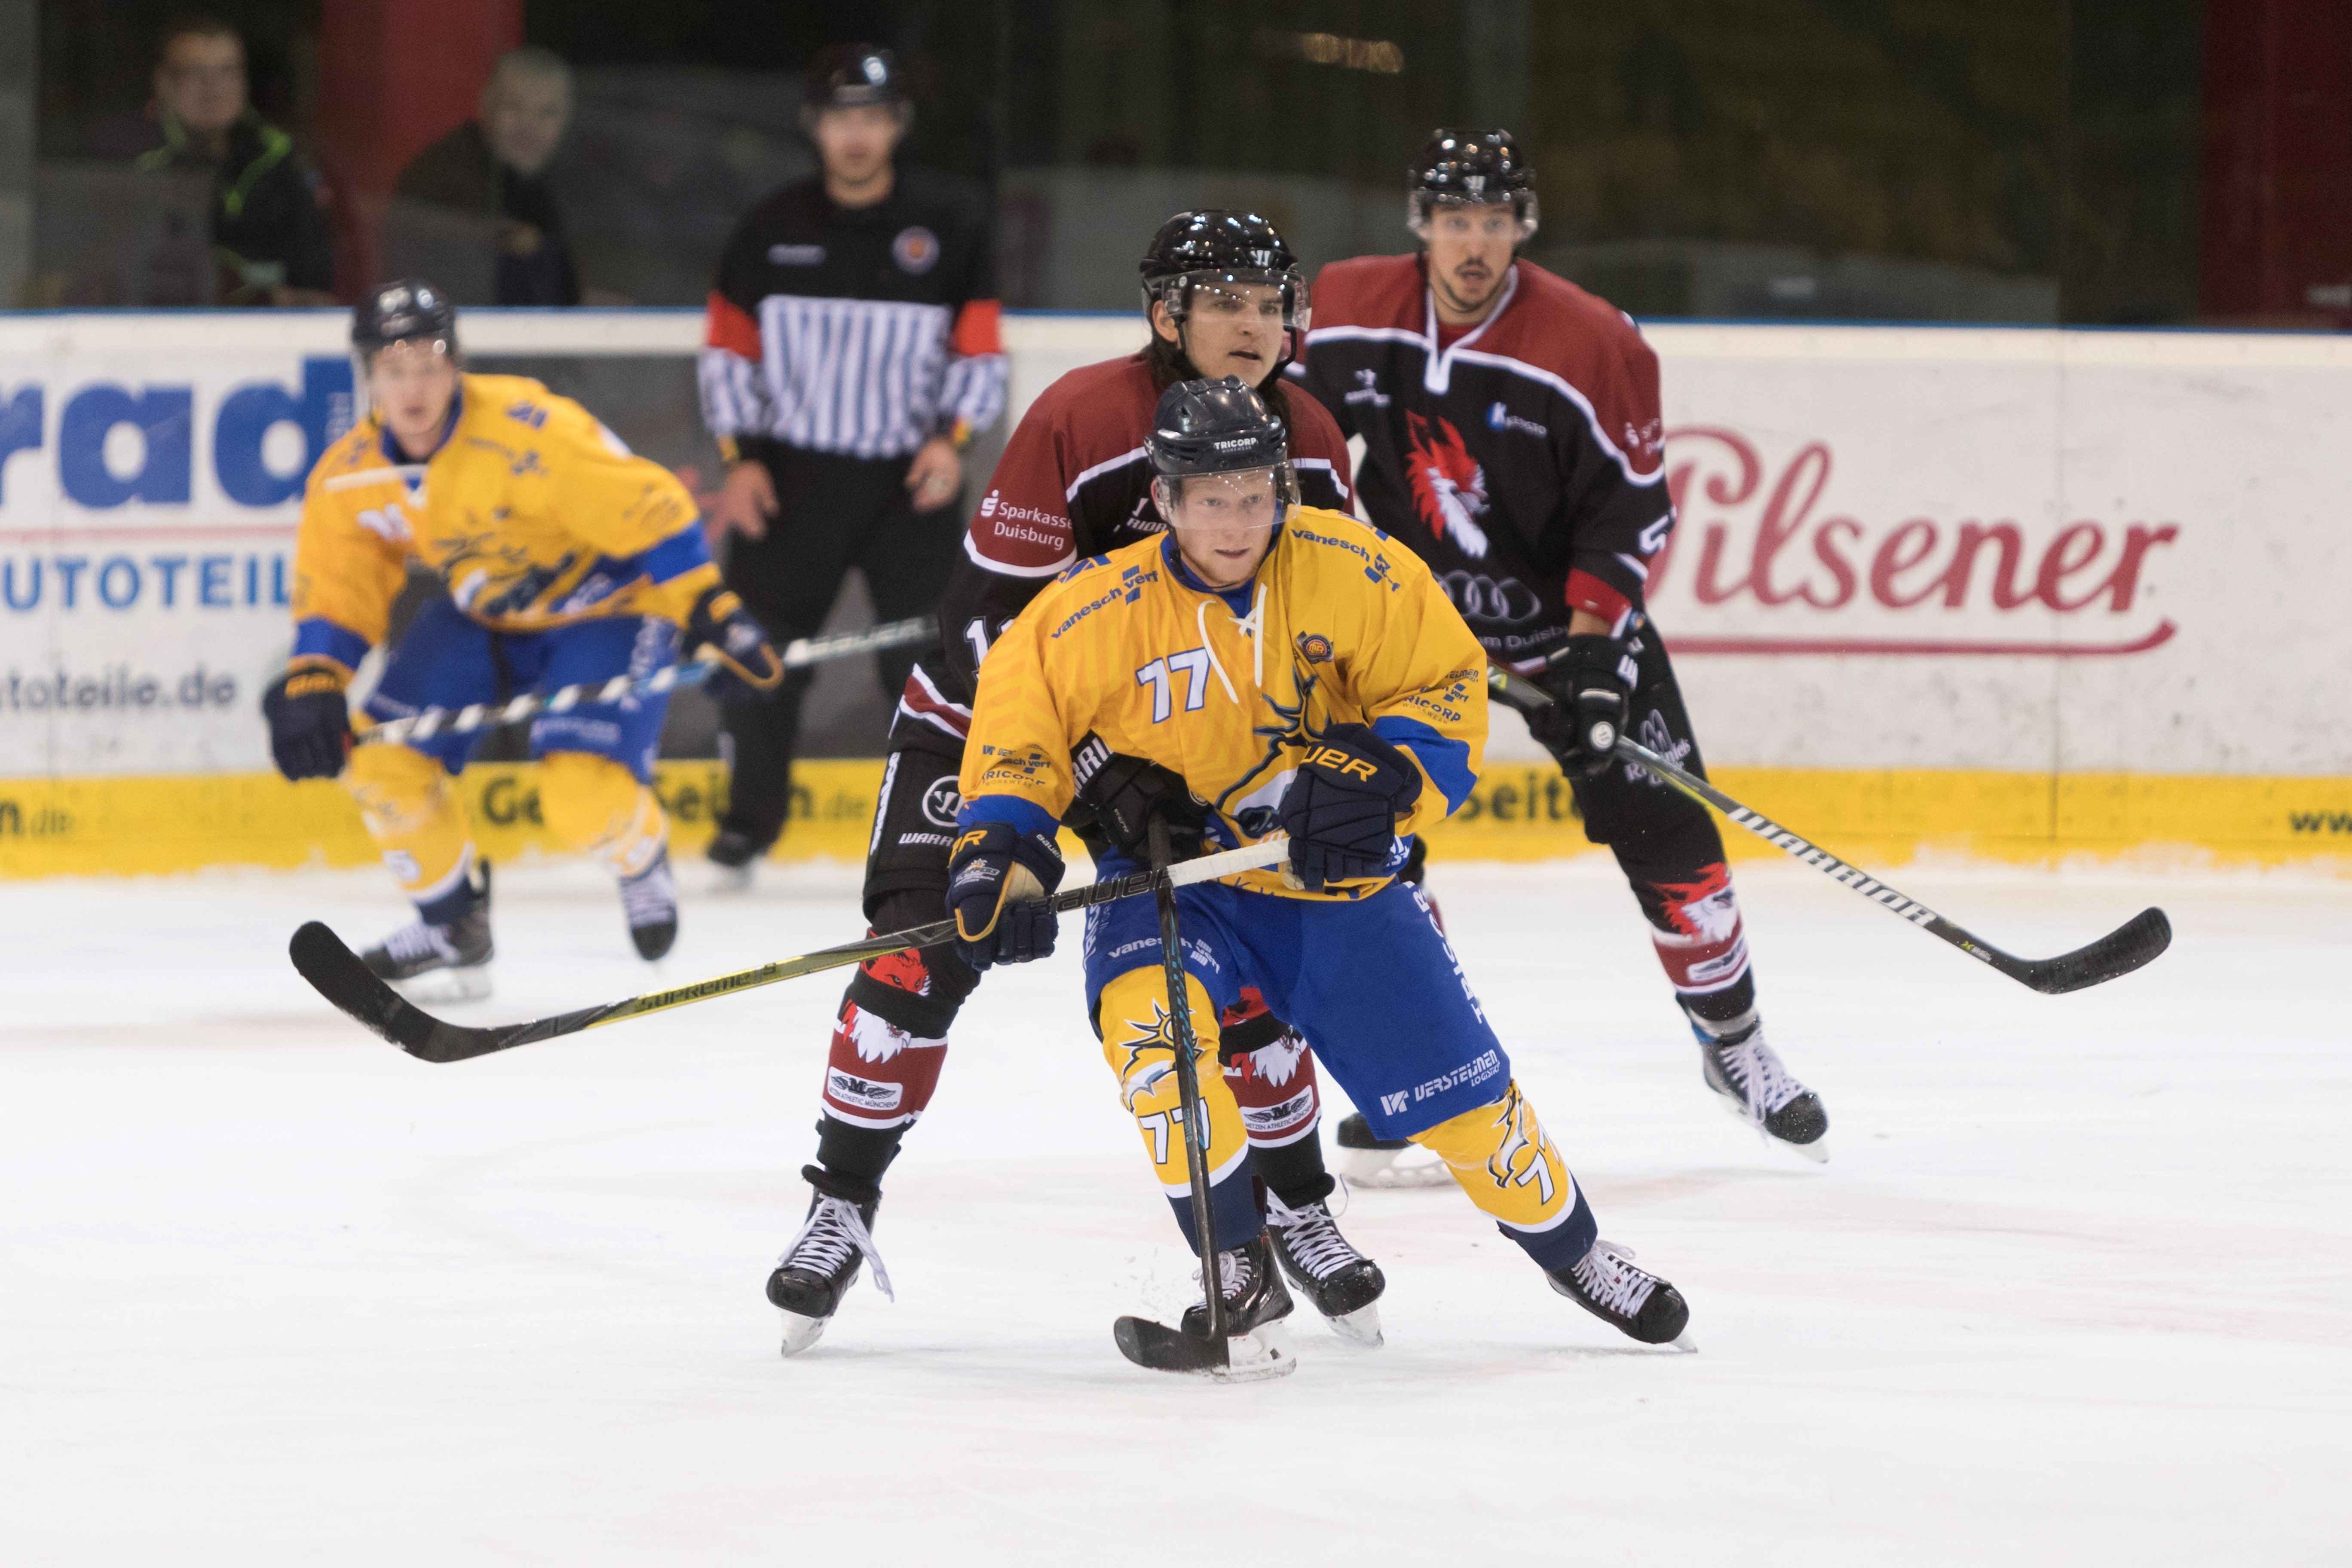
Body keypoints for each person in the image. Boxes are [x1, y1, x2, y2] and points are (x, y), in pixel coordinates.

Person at [944, 376, 1693, 1371]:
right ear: (1164, 498)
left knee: (1469, 1112)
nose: (1234, 519)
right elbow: (1017, 736)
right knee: (1154, 1049)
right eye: (1209, 497)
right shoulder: (1085, 614)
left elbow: (1443, 689)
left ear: (1283, 493)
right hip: (1176, 886)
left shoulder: (1358, 572)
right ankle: (1236, 1272)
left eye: (1254, 494)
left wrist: (1382, 782)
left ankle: (1576, 1252)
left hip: (1328, 891)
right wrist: (1002, 855)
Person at [763, 211, 1385, 1357]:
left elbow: (1336, 624)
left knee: (1243, 959)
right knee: (922, 945)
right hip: (993, 725)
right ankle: (841, 1202)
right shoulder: (1083, 418)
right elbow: (986, 629)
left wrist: (1351, 772)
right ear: (1166, 316)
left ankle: (1296, 1205)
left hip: (1193, 743)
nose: (1255, 325)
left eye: (1269, 301)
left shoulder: (1308, 434)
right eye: (1225, 303)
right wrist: (1093, 779)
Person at [1294, 129, 1829, 1168]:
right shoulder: (1349, 308)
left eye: (1494, 221)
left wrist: (1590, 656)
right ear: (1421, 223)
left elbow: (1628, 512)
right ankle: (1427, 1068)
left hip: (1552, 631)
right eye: (1454, 221)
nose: (1473, 244)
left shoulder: (1593, 343)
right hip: (1410, 628)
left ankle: (1735, 1045)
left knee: (1668, 831)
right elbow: (1293, 435)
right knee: (1360, 833)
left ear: (1523, 226)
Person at [261, 280, 783, 997]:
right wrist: (315, 676)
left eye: (429, 363)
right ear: (369, 374)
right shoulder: (352, 476)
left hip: (608, 606)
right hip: (485, 616)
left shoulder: (529, 428)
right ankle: (453, 926)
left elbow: (652, 509)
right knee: (382, 763)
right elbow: (340, 583)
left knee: (580, 799)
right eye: (393, 367)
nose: (412, 387)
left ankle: (639, 856)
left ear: (456, 366)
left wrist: (713, 614)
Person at [697, 45, 1005, 876]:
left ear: (896, 125)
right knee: (757, 650)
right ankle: (744, 826)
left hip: (911, 480)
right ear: (815, 128)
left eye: (871, 117)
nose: (857, 136)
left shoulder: (949, 225)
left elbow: (978, 353)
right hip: (791, 479)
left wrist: (954, 440)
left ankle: (950, 825)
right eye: (841, 119)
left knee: (934, 664)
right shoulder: (770, 229)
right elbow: (728, 354)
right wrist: (742, 459)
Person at [100, 14, 335, 306]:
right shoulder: (127, 162)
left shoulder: (280, 160)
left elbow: (317, 288)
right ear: (163, 83)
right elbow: (108, 281)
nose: (214, 89)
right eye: (195, 73)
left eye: (228, 72)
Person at [393, 47, 582, 306]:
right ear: (485, 105)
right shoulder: (442, 178)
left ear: (567, 119)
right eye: (513, 107)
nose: (529, 127)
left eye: (547, 112)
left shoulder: (550, 186)